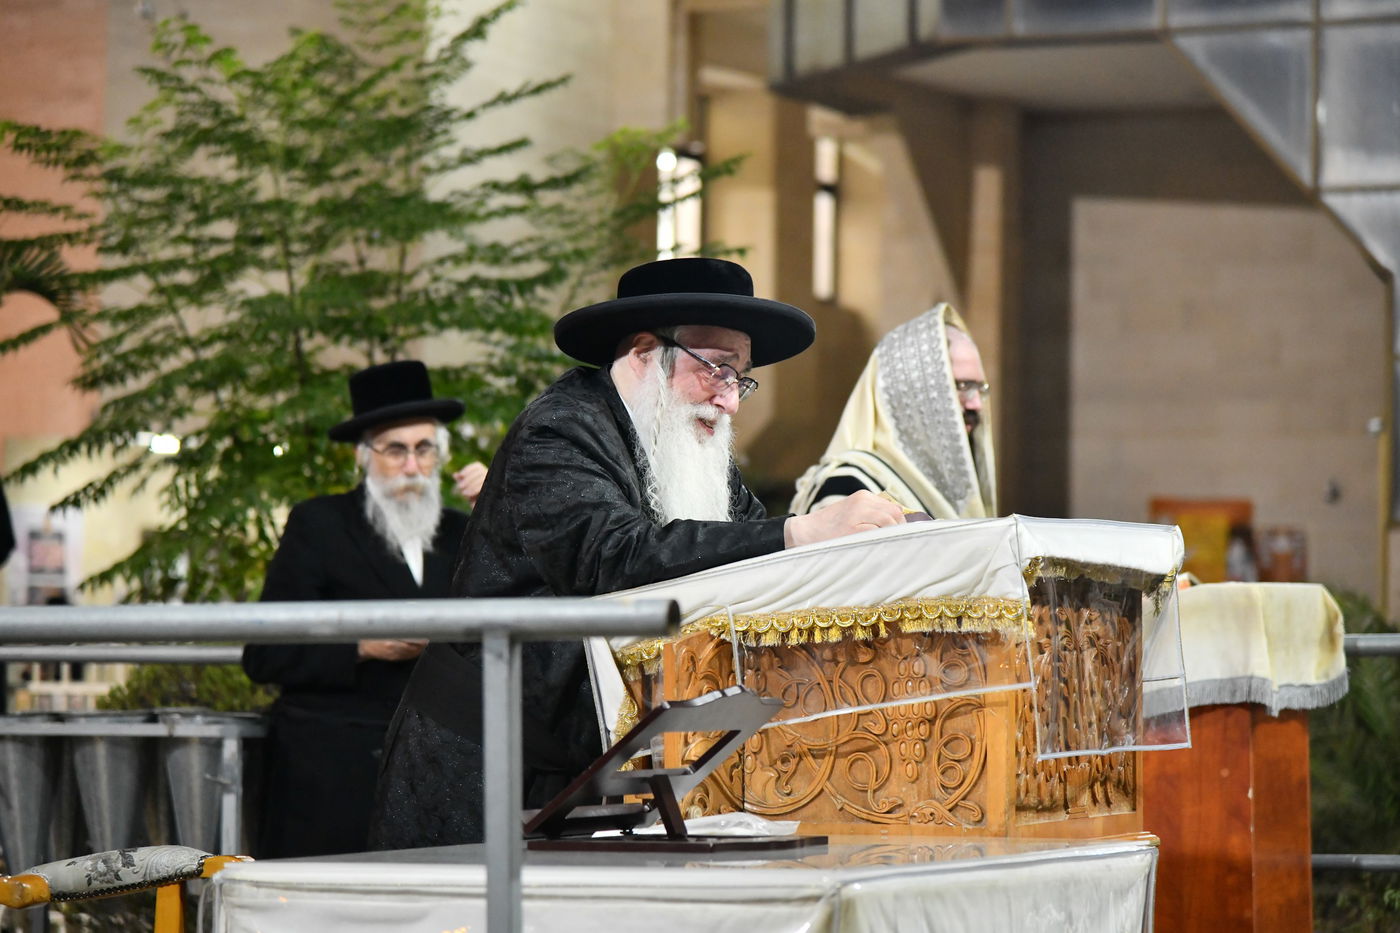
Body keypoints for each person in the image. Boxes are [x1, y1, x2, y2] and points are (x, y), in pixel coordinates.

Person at [368, 256, 905, 849]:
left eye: (741, 379)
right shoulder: (560, 430)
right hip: (481, 761)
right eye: (717, 370)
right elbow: (610, 557)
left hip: (593, 762)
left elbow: (750, 539)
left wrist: (874, 542)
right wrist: (802, 532)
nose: (729, 401)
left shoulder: (683, 441)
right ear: (647, 351)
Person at [242, 360, 483, 858]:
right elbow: (265, 654)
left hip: (438, 771)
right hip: (333, 769)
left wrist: (498, 511)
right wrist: (364, 647)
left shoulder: (466, 532)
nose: (412, 466)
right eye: (395, 450)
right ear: (363, 455)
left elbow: (523, 608)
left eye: (424, 449)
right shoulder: (319, 525)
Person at [791, 303, 997, 520]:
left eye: (979, 388)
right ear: (909, 391)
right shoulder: (848, 486)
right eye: (961, 386)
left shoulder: (947, 487)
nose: (976, 404)